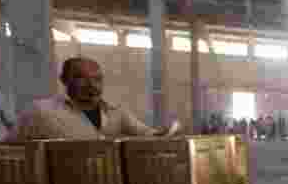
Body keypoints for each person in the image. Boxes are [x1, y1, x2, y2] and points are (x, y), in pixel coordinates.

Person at [12, 57, 173, 140]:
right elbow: (10, 148)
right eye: (81, 78)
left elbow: (146, 135)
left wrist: (167, 132)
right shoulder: (40, 112)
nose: (91, 85)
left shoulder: (115, 111)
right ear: (64, 80)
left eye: (97, 79)